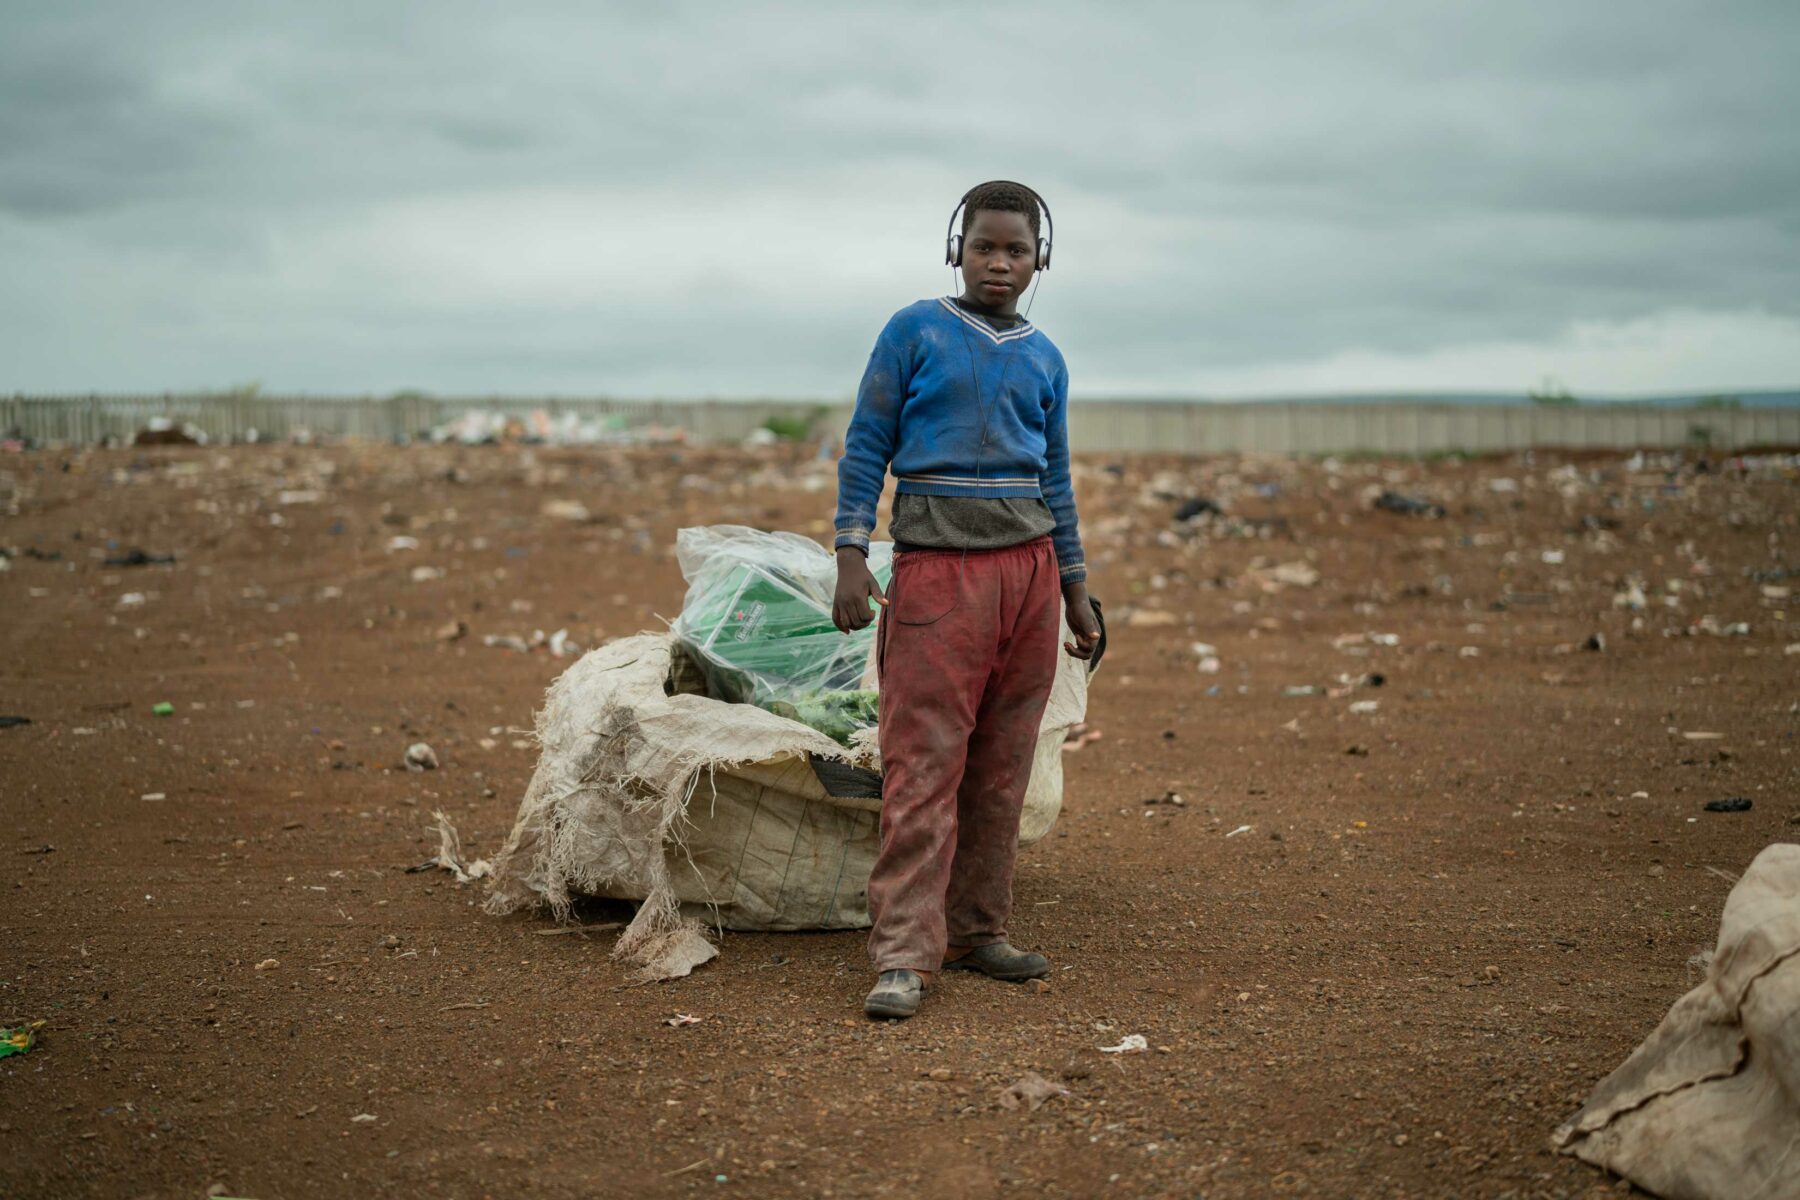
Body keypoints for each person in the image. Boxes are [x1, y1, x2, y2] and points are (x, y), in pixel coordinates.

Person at [831, 179, 1100, 1020]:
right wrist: (849, 551)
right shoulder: (914, 330)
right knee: (924, 761)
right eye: (984, 245)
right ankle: (905, 956)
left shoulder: (1046, 356)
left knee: (1003, 764)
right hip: (938, 574)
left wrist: (1077, 587)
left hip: (1028, 576)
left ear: (1039, 260)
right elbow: (867, 441)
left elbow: (1055, 477)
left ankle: (977, 930)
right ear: (958, 249)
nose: (998, 262)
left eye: (1015, 250)